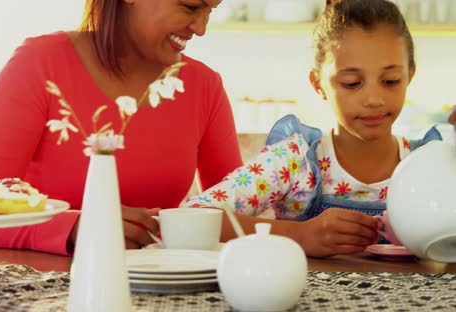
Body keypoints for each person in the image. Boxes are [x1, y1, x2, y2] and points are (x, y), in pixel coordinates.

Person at [0, 0, 242, 255]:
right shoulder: (38, 65)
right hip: (42, 293)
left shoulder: (204, 86)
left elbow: (232, 214)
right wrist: (75, 228)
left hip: (163, 289)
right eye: (190, 6)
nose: (201, 28)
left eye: (211, 11)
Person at [184, 0, 442, 258]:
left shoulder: (430, 165)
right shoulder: (294, 160)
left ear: (410, 76)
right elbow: (194, 215)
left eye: (390, 81)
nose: (374, 99)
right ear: (318, 84)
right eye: (352, 83)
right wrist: (298, 235)